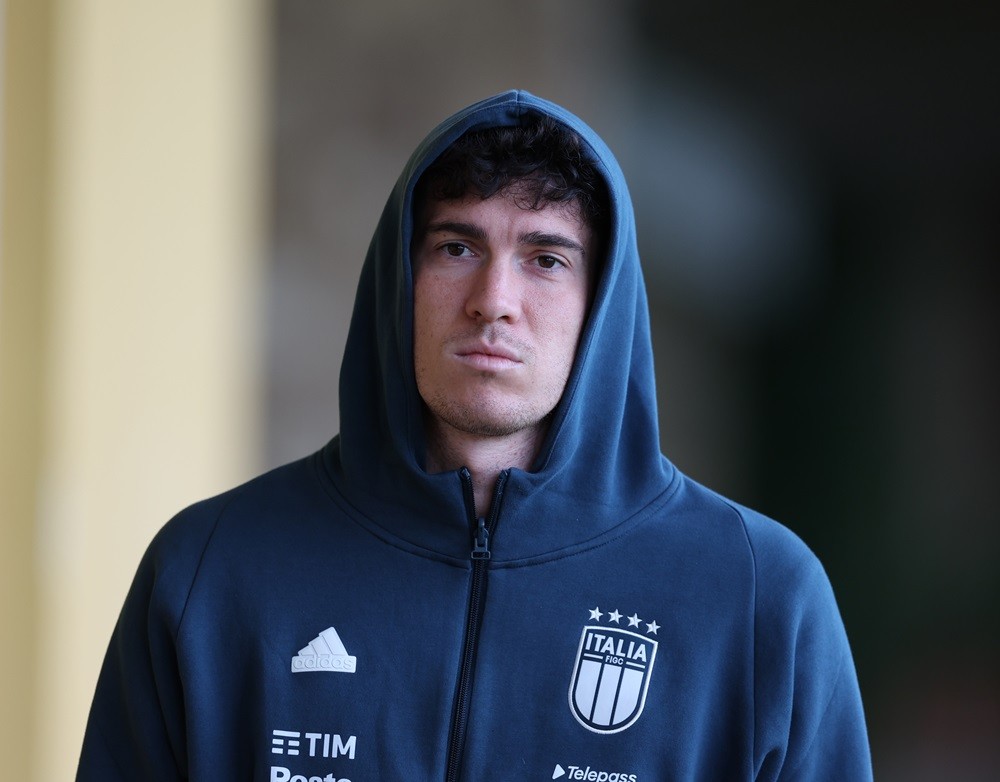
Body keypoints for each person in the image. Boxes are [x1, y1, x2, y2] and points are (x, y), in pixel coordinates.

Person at [77, 90, 872, 781]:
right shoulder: (213, 573)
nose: (495, 299)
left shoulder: (760, 596)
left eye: (546, 259)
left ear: (603, 302)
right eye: (457, 247)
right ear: (402, 278)